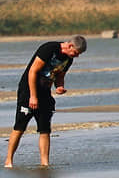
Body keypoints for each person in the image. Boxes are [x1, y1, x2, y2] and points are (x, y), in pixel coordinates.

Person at [5, 36, 86, 168]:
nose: (76, 56)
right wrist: (33, 96)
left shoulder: (68, 59)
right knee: (20, 126)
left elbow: (60, 76)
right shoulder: (49, 49)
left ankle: (44, 163)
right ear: (70, 46)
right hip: (28, 91)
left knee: (45, 129)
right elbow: (33, 71)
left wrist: (59, 86)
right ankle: (8, 161)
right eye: (76, 53)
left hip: (45, 93)